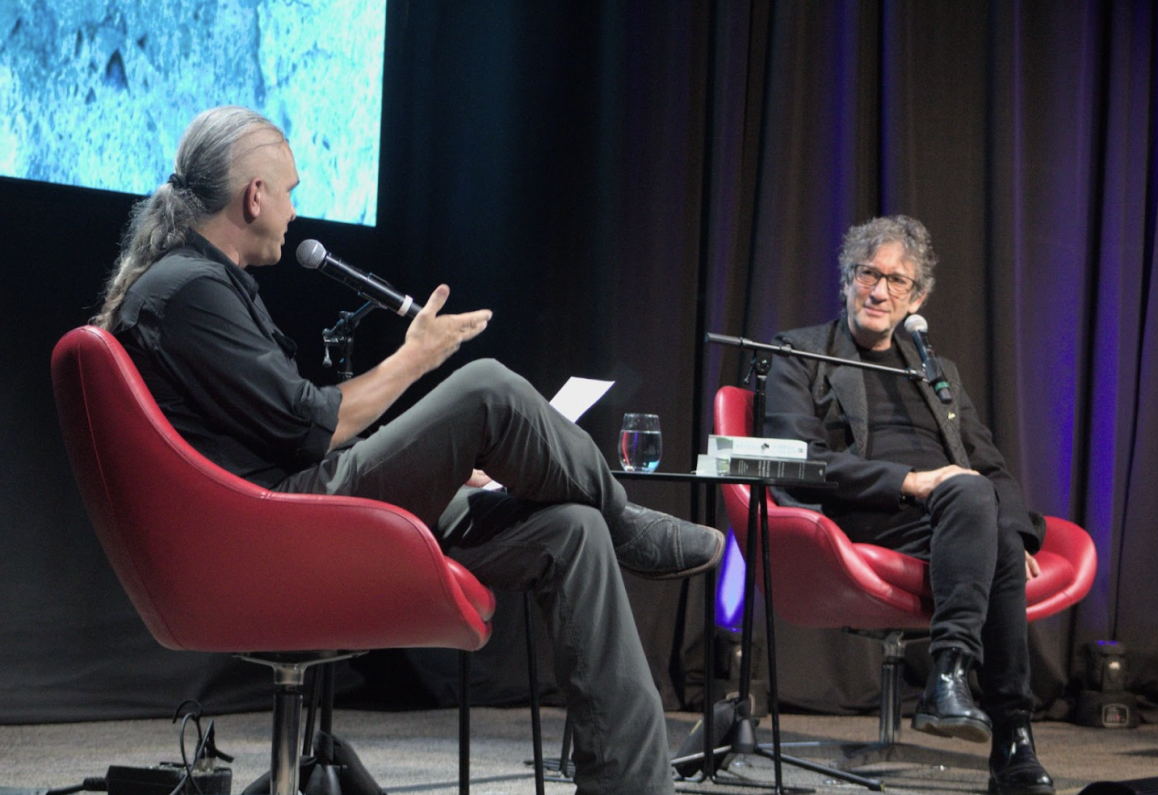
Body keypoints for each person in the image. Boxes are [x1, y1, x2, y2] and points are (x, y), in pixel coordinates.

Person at [91, 105, 725, 795]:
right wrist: (416, 357)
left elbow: (286, 427)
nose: (296, 210)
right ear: (254, 196)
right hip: (277, 525)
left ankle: (630, 787)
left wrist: (446, 459)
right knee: (487, 388)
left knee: (572, 529)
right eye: (292, 190)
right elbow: (311, 423)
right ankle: (629, 520)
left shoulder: (200, 285)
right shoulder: (189, 289)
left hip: (294, 504)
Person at [763, 216, 1055, 795]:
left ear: (916, 297)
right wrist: (911, 481)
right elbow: (798, 460)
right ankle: (1004, 729)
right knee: (972, 496)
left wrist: (1018, 534)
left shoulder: (935, 372)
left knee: (985, 507)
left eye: (897, 281)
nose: (879, 291)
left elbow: (989, 463)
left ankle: (962, 691)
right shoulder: (799, 353)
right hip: (867, 518)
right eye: (868, 274)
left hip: (956, 517)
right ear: (847, 281)